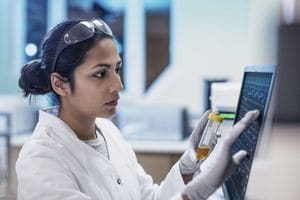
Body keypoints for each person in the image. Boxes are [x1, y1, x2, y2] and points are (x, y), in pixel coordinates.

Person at [16, 18, 259, 200]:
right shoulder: (41, 160)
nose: (117, 85)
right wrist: (193, 195)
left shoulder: (107, 131)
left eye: (117, 69)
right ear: (60, 84)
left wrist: (189, 165)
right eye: (100, 74)